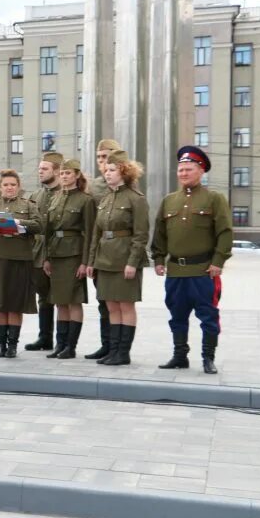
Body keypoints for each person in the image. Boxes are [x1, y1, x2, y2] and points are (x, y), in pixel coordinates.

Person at [151, 146, 233, 374]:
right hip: (176, 271)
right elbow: (160, 233)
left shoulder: (214, 199)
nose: (183, 173)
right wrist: (158, 258)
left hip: (204, 271)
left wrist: (218, 261)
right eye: (180, 170)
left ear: (201, 171)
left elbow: (225, 232)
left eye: (188, 169)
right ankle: (179, 356)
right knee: (176, 316)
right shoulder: (169, 201)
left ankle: (208, 358)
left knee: (208, 316)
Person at [86, 150, 149, 365]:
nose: (107, 173)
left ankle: (123, 353)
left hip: (124, 259)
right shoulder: (105, 199)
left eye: (112, 170)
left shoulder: (136, 199)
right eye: (106, 170)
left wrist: (132, 262)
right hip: (105, 259)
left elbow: (140, 235)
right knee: (111, 305)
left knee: (125, 306)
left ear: (124, 172)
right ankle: (113, 351)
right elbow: (97, 233)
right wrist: (92, 261)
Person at [42, 159, 97, 359]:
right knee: (59, 301)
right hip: (56, 254)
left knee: (74, 301)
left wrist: (86, 262)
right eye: (62, 173)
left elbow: (90, 233)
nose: (64, 176)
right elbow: (48, 231)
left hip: (74, 254)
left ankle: (71, 346)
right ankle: (61, 344)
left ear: (76, 175)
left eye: (68, 173)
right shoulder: (55, 198)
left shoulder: (85, 200)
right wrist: (46, 257)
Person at [0, 169, 41, 358]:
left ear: (19, 187)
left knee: (15, 304)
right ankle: (0, 344)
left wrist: (19, 223)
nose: (9, 188)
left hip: (20, 259)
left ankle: (12, 345)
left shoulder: (28, 205)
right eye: (6, 185)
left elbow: (39, 225)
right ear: (0, 187)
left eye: (13, 185)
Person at [85, 138, 122, 360]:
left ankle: (118, 348)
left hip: (117, 250)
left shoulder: (125, 183)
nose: (102, 161)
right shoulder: (95, 186)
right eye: (99, 157)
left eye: (106, 156)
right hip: (98, 249)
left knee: (118, 302)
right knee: (103, 301)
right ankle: (106, 344)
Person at [24, 151, 64, 351]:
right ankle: (45, 338)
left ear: (56, 171)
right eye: (39, 168)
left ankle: (63, 342)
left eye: (44, 169)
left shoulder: (66, 193)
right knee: (43, 296)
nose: (40, 172)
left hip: (61, 251)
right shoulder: (35, 196)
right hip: (38, 252)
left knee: (62, 297)